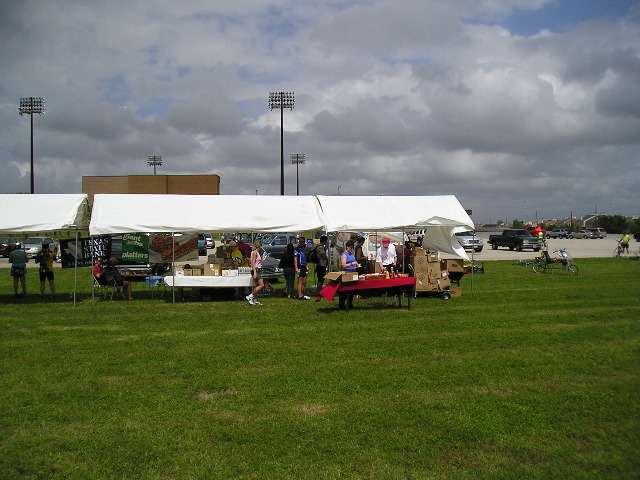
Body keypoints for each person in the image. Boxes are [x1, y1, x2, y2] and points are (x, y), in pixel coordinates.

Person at [338, 240, 358, 310]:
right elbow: (344, 265)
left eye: (352, 248)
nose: (351, 249)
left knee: (352, 290)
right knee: (345, 291)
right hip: (347, 273)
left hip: (353, 272)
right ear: (347, 247)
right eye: (350, 248)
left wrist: (356, 265)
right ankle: (342, 304)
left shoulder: (351, 254)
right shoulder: (344, 255)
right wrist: (352, 264)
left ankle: (350, 303)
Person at [247, 240, 265, 305]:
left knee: (256, 286)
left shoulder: (256, 252)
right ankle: (250, 296)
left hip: (257, 270)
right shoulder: (255, 253)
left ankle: (254, 299)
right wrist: (254, 272)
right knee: (261, 285)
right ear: (259, 246)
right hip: (256, 270)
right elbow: (253, 263)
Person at [314, 236, 329, 300]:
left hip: (319, 265)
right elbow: (324, 256)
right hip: (321, 265)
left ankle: (319, 292)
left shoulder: (318, 247)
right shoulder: (320, 248)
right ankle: (319, 292)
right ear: (324, 241)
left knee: (320, 279)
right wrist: (328, 259)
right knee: (321, 280)